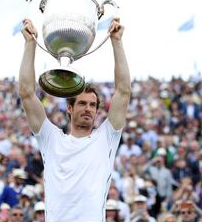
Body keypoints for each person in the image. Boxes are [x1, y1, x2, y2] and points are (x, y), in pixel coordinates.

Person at [18, 15, 131, 222]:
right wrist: (29, 44)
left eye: (92, 105)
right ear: (69, 108)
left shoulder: (106, 137)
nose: (88, 109)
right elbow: (26, 92)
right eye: (82, 103)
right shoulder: (51, 138)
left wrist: (117, 42)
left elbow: (123, 91)